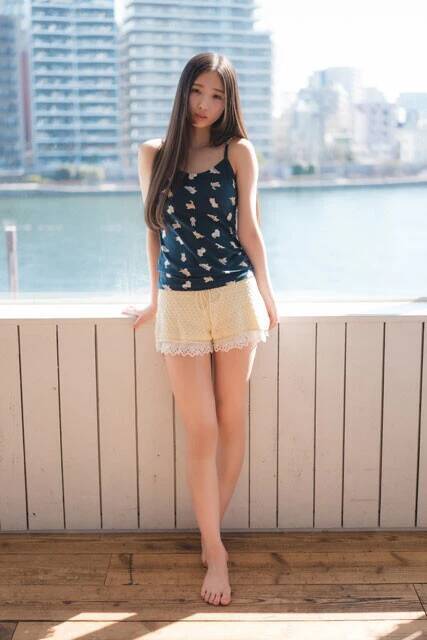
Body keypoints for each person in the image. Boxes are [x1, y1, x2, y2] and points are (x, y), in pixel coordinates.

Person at [123, 52, 278, 606]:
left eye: (216, 95)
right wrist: (154, 300)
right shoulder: (153, 154)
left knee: (231, 418)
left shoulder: (238, 151)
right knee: (202, 429)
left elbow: (249, 227)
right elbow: (154, 232)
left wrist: (268, 294)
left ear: (228, 102)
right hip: (180, 303)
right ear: (183, 90)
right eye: (198, 91)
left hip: (234, 295)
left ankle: (214, 546)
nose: (205, 104)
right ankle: (214, 543)